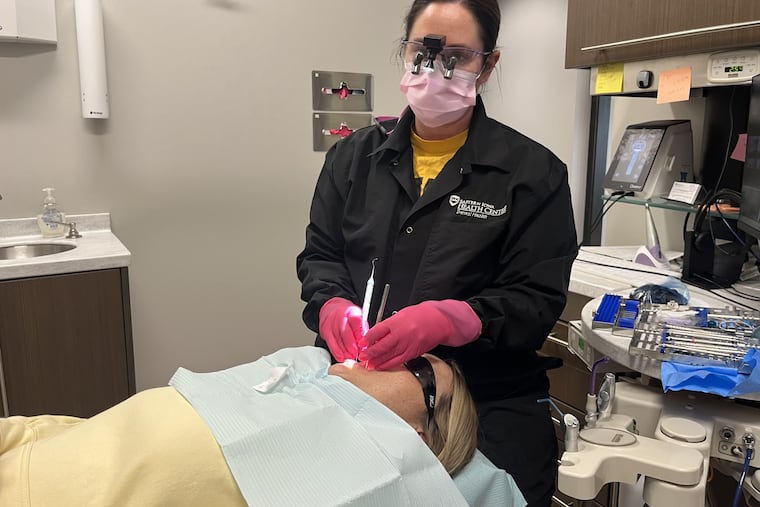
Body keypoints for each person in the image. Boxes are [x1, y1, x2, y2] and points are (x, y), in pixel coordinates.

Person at [296, 1, 578, 505]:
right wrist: (331, 306)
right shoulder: (352, 159)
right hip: (365, 378)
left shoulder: (534, 176)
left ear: (487, 65)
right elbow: (320, 257)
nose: (435, 70)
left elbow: (536, 301)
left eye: (458, 56)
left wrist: (455, 320)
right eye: (422, 53)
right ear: (404, 51)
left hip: (485, 392)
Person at [0, 346, 525, 506]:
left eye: (416, 368)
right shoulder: (292, 376)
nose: (395, 354)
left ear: (417, 434)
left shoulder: (359, 476)